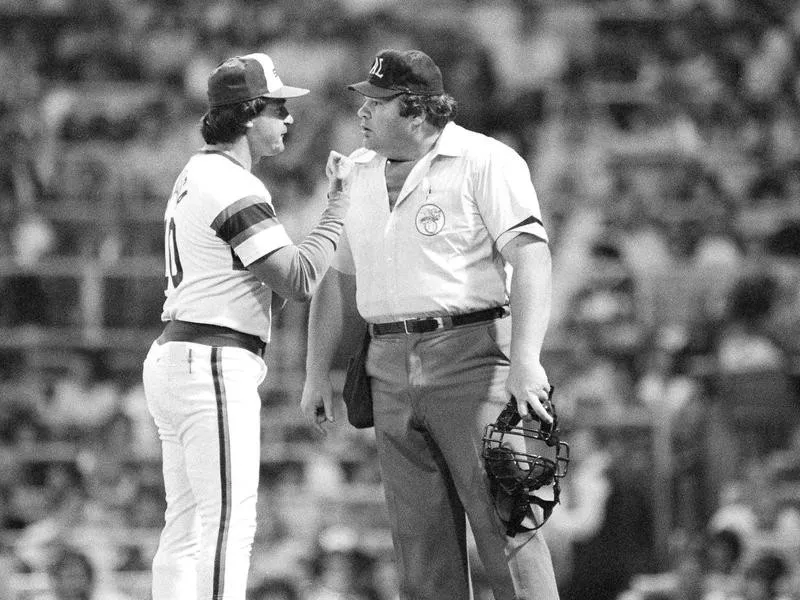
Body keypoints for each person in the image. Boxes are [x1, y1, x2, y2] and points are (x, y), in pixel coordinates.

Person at [301, 49, 559, 600]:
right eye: (362, 100)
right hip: (386, 358)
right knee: (418, 544)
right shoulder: (356, 172)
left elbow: (531, 258)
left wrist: (527, 359)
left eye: (376, 102)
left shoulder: (486, 159)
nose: (362, 112)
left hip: (472, 352)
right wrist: (315, 372)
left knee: (508, 523)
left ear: (416, 112)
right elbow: (337, 280)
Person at [142, 52, 353, 600]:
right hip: (210, 360)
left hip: (185, 352)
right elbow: (301, 279)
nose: (288, 120)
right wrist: (339, 204)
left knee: (186, 527)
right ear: (247, 113)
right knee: (227, 525)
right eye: (278, 108)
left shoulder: (198, 171)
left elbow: (249, 279)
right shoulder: (232, 185)